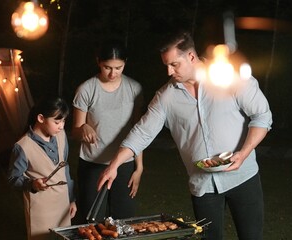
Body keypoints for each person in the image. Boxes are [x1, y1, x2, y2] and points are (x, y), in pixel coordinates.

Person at [97, 29, 272, 240]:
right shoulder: (165, 97)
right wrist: (114, 165)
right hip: (202, 185)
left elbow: (262, 116)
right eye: (166, 66)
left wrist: (244, 153)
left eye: (174, 64)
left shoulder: (230, 78)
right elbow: (142, 133)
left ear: (191, 56)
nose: (169, 72)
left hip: (243, 176)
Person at [71, 39, 144, 222]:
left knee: (123, 219)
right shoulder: (86, 89)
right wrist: (84, 128)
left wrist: (139, 167)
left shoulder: (134, 89)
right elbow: (75, 131)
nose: (113, 73)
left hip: (123, 163)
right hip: (93, 163)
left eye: (118, 68)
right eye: (107, 67)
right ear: (98, 62)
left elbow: (140, 132)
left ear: (125, 63)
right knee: (91, 220)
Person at [8, 96, 77, 240]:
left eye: (64, 121)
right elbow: (13, 178)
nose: (62, 126)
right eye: (57, 122)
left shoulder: (61, 136)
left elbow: (65, 170)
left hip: (62, 204)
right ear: (41, 118)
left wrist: (71, 199)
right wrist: (32, 183)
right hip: (41, 209)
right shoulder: (22, 146)